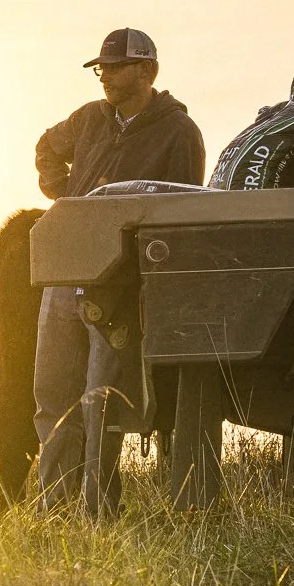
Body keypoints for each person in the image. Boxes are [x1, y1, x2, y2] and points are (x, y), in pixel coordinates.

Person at [31, 27, 203, 516]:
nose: (104, 75)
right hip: (64, 276)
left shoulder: (179, 132)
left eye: (115, 66)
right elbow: (46, 144)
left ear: (146, 70)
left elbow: (183, 212)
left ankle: (97, 511)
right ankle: (55, 510)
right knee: (51, 397)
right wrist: (59, 190)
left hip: (119, 287)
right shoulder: (88, 119)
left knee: (99, 403)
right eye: (101, 68)